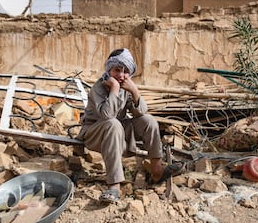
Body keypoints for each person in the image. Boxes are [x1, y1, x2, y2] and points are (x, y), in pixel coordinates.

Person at [76, 48, 185, 203]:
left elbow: (140, 112)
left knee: (149, 121)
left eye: (126, 71)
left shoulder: (125, 88)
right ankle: (114, 185)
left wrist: (135, 92)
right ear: (109, 70)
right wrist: (114, 90)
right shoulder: (98, 88)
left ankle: (157, 170)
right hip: (95, 132)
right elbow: (107, 116)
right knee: (113, 124)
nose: (121, 75)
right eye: (117, 70)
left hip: (117, 130)